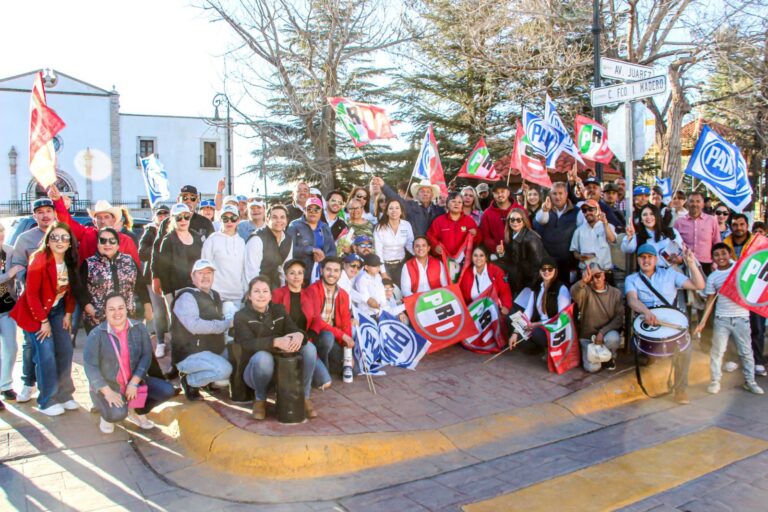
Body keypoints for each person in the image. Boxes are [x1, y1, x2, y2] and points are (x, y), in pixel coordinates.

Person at [10, 222, 79, 416]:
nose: (60, 241)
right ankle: (47, 400)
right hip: (35, 313)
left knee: (65, 350)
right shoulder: (39, 258)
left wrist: (68, 313)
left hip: (57, 309)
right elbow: (31, 295)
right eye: (55, 237)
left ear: (70, 243)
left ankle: (65, 395)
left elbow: (71, 290)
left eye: (64, 237)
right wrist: (43, 321)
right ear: (48, 241)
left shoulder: (70, 260)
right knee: (46, 353)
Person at [84, 293, 176, 433]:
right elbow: (90, 367)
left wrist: (134, 382)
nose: (117, 313)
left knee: (167, 390)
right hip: (109, 387)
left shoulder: (139, 328)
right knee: (118, 414)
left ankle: (136, 410)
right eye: (111, 309)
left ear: (127, 309)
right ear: (105, 311)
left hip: (133, 384)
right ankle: (107, 415)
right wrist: (107, 392)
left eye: (120, 308)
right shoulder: (96, 334)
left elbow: (146, 356)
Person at [625, 243, 705, 404]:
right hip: (648, 322)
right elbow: (632, 300)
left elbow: (699, 285)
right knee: (640, 346)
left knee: (685, 349)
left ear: (655, 259)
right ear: (638, 260)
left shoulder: (670, 274)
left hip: (669, 322)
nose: (646, 260)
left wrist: (690, 263)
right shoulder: (631, 279)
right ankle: (650, 356)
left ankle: (680, 389)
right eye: (643, 257)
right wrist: (646, 312)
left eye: (649, 257)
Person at [233, 277, 318, 420]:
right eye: (257, 291)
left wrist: (299, 335)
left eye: (265, 291)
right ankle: (260, 400)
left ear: (270, 295)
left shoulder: (278, 310)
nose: (261, 295)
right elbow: (246, 344)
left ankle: (304, 397)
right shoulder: (241, 316)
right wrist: (275, 342)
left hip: (280, 371)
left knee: (309, 348)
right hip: (254, 371)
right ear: (249, 295)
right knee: (263, 358)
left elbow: (292, 329)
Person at [694, 243, 764, 395]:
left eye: (723, 253)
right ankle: (715, 381)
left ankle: (750, 381)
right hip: (722, 319)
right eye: (717, 255)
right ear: (712, 258)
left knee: (746, 352)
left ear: (730, 254)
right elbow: (710, 301)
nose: (720, 257)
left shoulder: (739, 269)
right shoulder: (713, 277)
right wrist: (703, 322)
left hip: (742, 318)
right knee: (717, 352)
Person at [10, 198, 58, 403]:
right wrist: (32, 284)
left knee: (55, 347)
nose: (45, 215)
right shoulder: (25, 239)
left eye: (48, 210)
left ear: (54, 213)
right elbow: (18, 267)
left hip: (59, 302)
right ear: (34, 215)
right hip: (33, 302)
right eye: (40, 212)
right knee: (32, 345)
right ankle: (28, 383)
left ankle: (53, 385)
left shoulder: (61, 235)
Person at [170, 259, 233, 400]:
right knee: (224, 370)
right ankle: (189, 381)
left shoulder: (214, 295)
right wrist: (226, 324)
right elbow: (195, 326)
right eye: (200, 273)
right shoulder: (187, 296)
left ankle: (206, 379)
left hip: (210, 350)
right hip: (189, 354)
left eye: (209, 272)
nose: (205, 276)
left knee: (237, 356)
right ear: (193, 277)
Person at [152, 204, 204, 358]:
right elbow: (162, 268)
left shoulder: (196, 237)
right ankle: (178, 358)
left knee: (194, 322)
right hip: (175, 289)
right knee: (178, 325)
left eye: (186, 216)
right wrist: (168, 293)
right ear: (173, 219)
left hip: (194, 289)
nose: (183, 220)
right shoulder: (168, 240)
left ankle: (194, 355)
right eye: (179, 217)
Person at [80, 227, 149, 333]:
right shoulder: (88, 264)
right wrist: (90, 309)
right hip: (97, 320)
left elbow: (140, 285)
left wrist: (147, 304)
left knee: (125, 349)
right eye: (103, 241)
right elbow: (80, 290)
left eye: (112, 241)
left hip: (126, 317)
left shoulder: (129, 261)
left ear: (117, 245)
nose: (107, 244)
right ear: (98, 244)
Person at [48, 186, 139, 265]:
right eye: (99, 217)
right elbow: (67, 222)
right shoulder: (86, 234)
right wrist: (57, 201)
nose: (103, 221)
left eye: (106, 217)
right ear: (94, 222)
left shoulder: (127, 241)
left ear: (114, 220)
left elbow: (135, 267)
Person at [508, 257, 571, 354]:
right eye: (543, 269)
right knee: (512, 319)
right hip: (538, 325)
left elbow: (561, 319)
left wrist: (537, 324)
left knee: (536, 333)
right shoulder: (537, 287)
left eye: (550, 269)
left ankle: (547, 349)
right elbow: (527, 313)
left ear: (555, 270)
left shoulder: (561, 289)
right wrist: (515, 333)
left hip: (554, 329)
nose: (546, 271)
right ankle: (538, 347)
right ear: (540, 271)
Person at [570, 263, 624, 372]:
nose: (595, 280)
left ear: (604, 275)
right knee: (592, 368)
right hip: (588, 337)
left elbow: (618, 318)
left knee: (613, 338)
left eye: (598, 275)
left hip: (606, 335)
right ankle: (591, 355)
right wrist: (583, 281)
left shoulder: (616, 293)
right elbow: (573, 293)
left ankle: (610, 357)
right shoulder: (585, 291)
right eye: (592, 277)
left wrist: (602, 332)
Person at [305, 257, 353, 379]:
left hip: (333, 338)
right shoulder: (312, 291)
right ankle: (322, 370)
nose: (332, 274)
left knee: (354, 369)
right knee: (327, 337)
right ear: (321, 271)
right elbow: (317, 321)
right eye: (328, 270)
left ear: (340, 274)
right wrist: (341, 335)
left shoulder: (344, 294)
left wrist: (348, 354)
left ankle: (327, 365)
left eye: (336, 270)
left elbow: (346, 324)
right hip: (315, 336)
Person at [138, 204, 171, 352]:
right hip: (152, 277)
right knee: (158, 311)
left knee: (173, 311)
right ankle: (160, 342)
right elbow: (142, 252)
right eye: (160, 214)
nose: (162, 217)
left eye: (166, 214)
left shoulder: (175, 231)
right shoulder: (150, 231)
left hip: (171, 276)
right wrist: (159, 247)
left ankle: (172, 341)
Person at [533, 182, 578, 283]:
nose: (557, 197)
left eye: (560, 193)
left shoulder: (577, 211)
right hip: (548, 264)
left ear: (566, 194)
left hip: (568, 263)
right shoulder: (544, 209)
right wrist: (545, 210)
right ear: (550, 195)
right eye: (554, 193)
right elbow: (540, 221)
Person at [202, 205, 247, 302]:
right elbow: (204, 268)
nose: (229, 222)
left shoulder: (242, 242)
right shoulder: (211, 240)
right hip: (217, 296)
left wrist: (245, 291)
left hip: (238, 296)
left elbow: (244, 270)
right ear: (220, 220)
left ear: (238, 220)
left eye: (233, 218)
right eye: (225, 218)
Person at [498, 208, 547, 294]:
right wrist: (502, 253)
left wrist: (530, 288)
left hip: (531, 282)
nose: (515, 222)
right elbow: (513, 260)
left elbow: (538, 267)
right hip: (520, 278)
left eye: (518, 220)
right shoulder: (511, 235)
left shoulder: (531, 239)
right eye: (512, 219)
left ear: (524, 222)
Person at [287, 197, 337, 284]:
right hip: (300, 276)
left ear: (321, 211)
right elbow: (288, 250)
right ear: (304, 210)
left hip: (322, 274)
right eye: (309, 209)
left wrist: (323, 257)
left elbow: (333, 251)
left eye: (316, 209)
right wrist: (311, 250)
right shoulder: (294, 225)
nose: (313, 212)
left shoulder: (325, 227)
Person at [622, 204, 685, 269]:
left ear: (657, 216)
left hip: (672, 272)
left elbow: (682, 252)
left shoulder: (671, 232)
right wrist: (629, 237)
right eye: (645, 215)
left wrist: (680, 260)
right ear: (641, 219)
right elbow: (628, 249)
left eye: (652, 214)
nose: (648, 217)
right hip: (649, 274)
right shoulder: (638, 236)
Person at [244, 204, 293, 288]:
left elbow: (284, 269)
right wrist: (259, 293)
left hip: (274, 287)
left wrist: (282, 291)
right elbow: (251, 273)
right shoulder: (257, 239)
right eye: (274, 217)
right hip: (256, 289)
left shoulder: (288, 239)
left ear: (287, 221)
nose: (279, 220)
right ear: (267, 220)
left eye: (282, 217)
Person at [378, 177, 445, 237]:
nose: (425, 194)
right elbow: (396, 198)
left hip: (434, 248)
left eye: (428, 192)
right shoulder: (411, 206)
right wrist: (383, 186)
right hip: (415, 247)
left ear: (432, 195)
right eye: (422, 191)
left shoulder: (439, 210)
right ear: (417, 195)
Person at [0, 224, 22, 407]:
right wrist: (8, 274)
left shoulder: (9, 251)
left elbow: (20, 270)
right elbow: (11, 274)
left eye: (1, 231)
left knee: (11, 347)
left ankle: (5, 385)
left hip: (7, 309)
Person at [570, 198, 617, 284]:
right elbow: (574, 251)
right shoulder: (579, 231)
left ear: (598, 210)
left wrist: (605, 223)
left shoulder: (608, 226)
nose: (588, 213)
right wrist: (581, 257)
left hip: (604, 272)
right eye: (584, 210)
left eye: (591, 209)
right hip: (585, 272)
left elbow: (612, 240)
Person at [674, 191, 720, 274]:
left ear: (703, 204)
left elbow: (716, 243)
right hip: (685, 264)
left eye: (698, 201)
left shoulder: (712, 220)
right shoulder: (679, 222)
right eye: (691, 201)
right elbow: (674, 244)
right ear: (687, 203)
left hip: (706, 265)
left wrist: (716, 262)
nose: (694, 204)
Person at [459, 246, 512, 315]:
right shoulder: (466, 274)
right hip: (475, 314)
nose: (478, 258)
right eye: (475, 255)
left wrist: (506, 306)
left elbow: (505, 291)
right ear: (472, 258)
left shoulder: (497, 271)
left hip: (496, 311)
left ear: (486, 258)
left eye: (481, 255)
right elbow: (462, 298)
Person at [373, 199, 414, 286]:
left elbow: (410, 244)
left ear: (401, 211)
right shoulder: (379, 227)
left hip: (401, 264)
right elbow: (378, 251)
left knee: (402, 289)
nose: (394, 210)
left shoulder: (406, 225)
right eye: (391, 208)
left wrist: (419, 255)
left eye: (397, 208)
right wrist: (383, 273)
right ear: (387, 212)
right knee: (389, 292)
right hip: (385, 265)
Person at [427, 191, 479, 258]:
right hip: (443, 260)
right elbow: (430, 236)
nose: (456, 204)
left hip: (464, 261)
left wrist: (476, 234)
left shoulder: (470, 221)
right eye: (453, 201)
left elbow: (478, 239)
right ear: (447, 204)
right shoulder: (439, 220)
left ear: (462, 205)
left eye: (460, 202)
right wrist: (435, 246)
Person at [479, 182, 521, 255]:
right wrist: (495, 247)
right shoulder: (487, 214)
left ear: (508, 192)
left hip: (520, 254)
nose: (500, 195)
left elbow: (528, 231)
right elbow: (486, 236)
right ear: (493, 195)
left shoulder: (520, 209)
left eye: (502, 191)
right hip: (499, 256)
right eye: (497, 192)